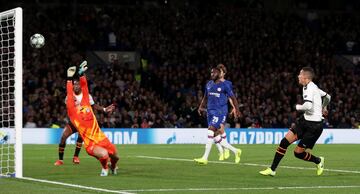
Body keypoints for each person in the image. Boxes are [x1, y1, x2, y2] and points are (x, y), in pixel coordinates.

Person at [259, 67, 331, 176]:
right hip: (304, 121)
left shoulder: (309, 88)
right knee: (284, 142)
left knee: (298, 153)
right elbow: (328, 97)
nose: (298, 76)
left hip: (314, 127)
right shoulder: (312, 86)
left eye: (300, 74)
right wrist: (324, 107)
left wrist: (297, 107)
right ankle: (272, 169)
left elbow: (308, 105)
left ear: (306, 77)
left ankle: (318, 161)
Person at [66, 61, 119, 176]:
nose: (73, 99)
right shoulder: (73, 113)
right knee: (104, 155)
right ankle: (104, 168)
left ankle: (113, 167)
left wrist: (81, 74)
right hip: (91, 144)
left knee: (116, 156)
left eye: (75, 99)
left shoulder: (86, 103)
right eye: (72, 99)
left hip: (102, 139)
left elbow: (84, 87)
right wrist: (69, 79)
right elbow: (69, 94)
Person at [54, 81, 115, 166]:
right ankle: (60, 160)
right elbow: (69, 108)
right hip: (73, 122)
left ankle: (76, 157)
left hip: (83, 123)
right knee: (63, 137)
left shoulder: (87, 95)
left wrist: (104, 109)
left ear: (81, 86)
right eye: (74, 84)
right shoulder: (69, 96)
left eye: (78, 84)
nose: (76, 86)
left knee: (80, 138)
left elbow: (93, 106)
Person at [194, 67, 242, 165]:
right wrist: (200, 106)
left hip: (220, 112)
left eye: (214, 73)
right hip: (210, 112)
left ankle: (205, 158)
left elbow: (233, 98)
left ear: (219, 74)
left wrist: (236, 109)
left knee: (211, 130)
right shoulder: (208, 84)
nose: (212, 74)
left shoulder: (225, 85)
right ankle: (235, 151)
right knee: (215, 136)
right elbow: (205, 97)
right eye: (211, 72)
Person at [214, 64, 240, 161]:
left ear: (224, 73)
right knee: (214, 132)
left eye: (220, 71)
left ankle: (226, 149)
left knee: (219, 128)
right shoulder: (214, 82)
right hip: (213, 109)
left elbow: (230, 96)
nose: (218, 73)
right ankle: (223, 150)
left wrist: (234, 107)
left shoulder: (228, 83)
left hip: (222, 109)